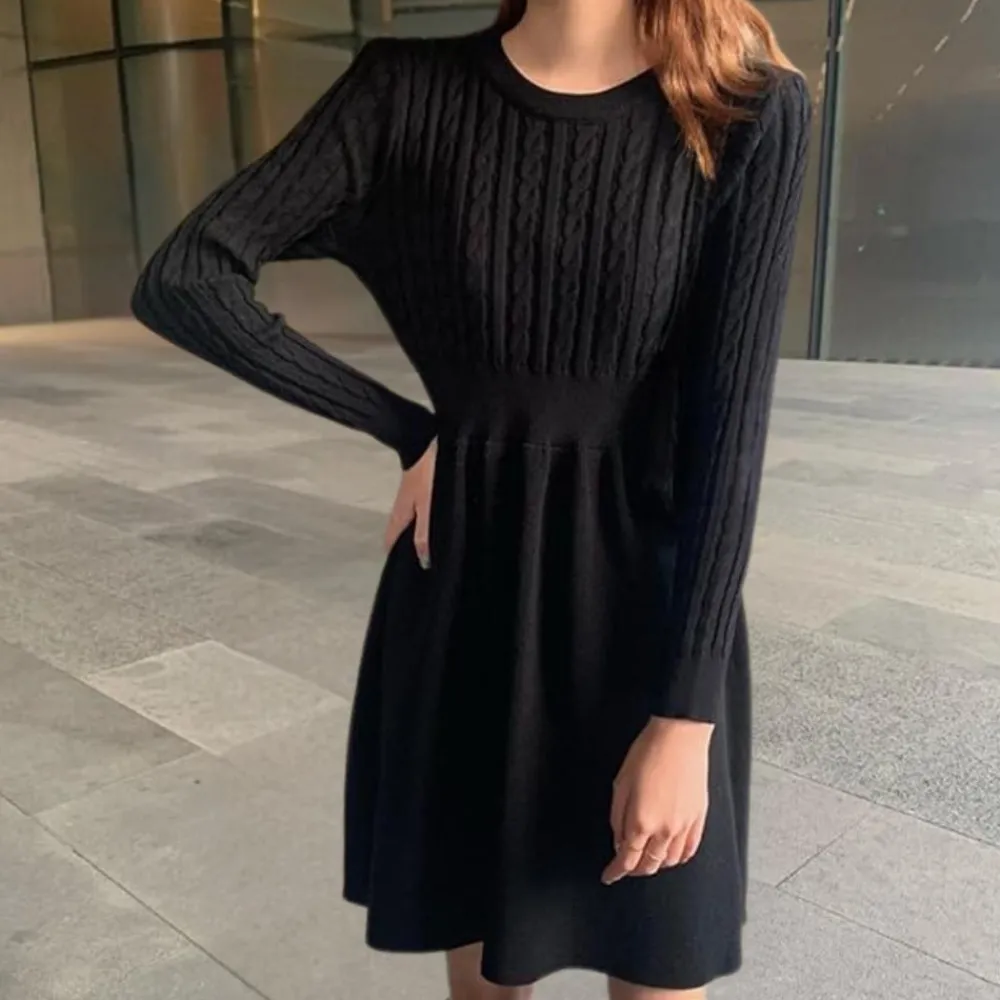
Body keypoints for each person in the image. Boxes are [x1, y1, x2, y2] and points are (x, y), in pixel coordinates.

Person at [131, 0, 810, 996]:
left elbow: (728, 430)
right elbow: (186, 277)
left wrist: (685, 715)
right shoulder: (403, 91)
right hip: (468, 596)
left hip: (649, 608)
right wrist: (406, 427)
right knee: (486, 976)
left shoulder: (742, 107)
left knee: (662, 963)